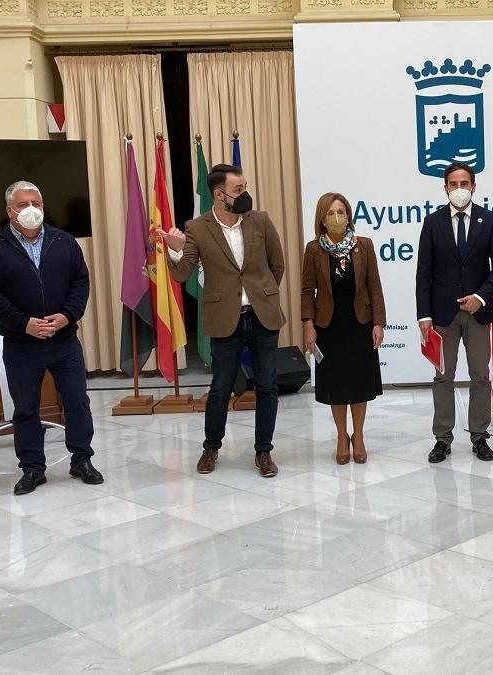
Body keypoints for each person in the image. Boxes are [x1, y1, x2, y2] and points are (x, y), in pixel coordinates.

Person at [0, 180, 100, 495]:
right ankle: (32, 468)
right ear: (9, 211)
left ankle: (81, 459)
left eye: (37, 203)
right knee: (26, 408)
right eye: (22, 204)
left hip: (64, 341)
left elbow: (80, 283)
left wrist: (67, 316)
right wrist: (22, 323)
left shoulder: (64, 241)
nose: (31, 209)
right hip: (22, 344)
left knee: (77, 402)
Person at [164, 163, 285, 478]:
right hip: (224, 319)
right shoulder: (197, 228)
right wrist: (176, 251)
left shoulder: (260, 220)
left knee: (268, 386)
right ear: (218, 195)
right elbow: (182, 273)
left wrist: (263, 293)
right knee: (220, 388)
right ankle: (211, 447)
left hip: (262, 315)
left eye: (245, 186)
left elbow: (278, 264)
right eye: (238, 189)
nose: (244, 194)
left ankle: (264, 451)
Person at [416, 162, 493, 463]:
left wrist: (480, 297)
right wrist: (424, 316)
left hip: (478, 313)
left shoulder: (489, 220)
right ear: (445, 187)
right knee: (443, 376)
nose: (459, 189)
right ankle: (442, 438)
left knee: (480, 375)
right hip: (442, 315)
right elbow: (424, 273)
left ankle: (480, 436)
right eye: (453, 184)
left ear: (474, 186)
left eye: (464, 183)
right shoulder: (432, 223)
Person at [301, 192, 386, 465]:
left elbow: (374, 286)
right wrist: (308, 325)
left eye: (341, 212)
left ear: (349, 215)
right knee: (337, 386)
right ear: (322, 220)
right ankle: (341, 435)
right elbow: (306, 290)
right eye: (331, 213)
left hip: (359, 324)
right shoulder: (314, 249)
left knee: (359, 384)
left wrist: (378, 322)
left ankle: (358, 436)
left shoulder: (364, 246)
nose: (337, 217)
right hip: (329, 326)